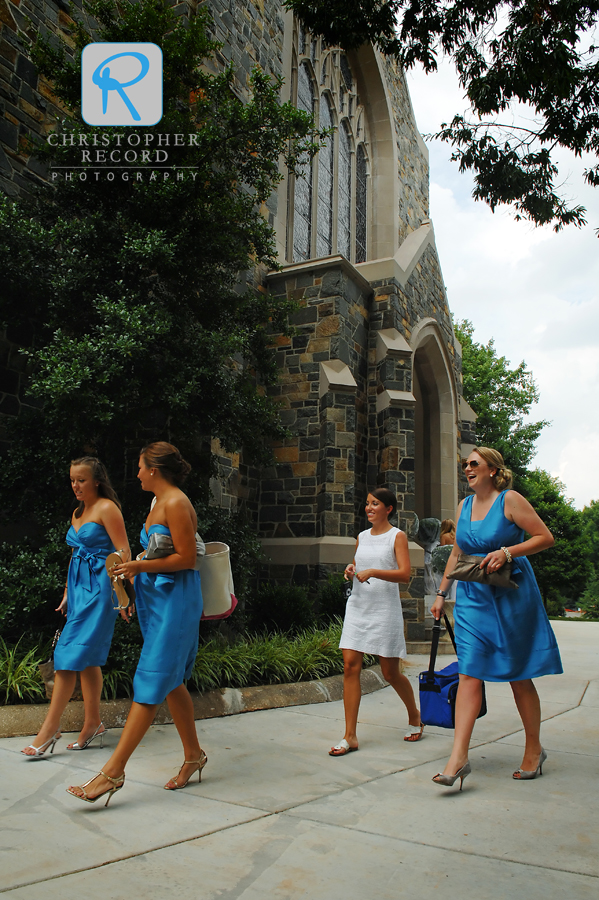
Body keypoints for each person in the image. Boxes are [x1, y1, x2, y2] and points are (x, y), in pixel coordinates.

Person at [66, 442, 205, 806]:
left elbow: (188, 559)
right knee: (171, 682)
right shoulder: (158, 501)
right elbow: (155, 552)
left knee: (151, 677)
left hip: (177, 603)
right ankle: (194, 756)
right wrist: (128, 591)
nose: (138, 473)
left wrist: (139, 567)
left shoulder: (175, 502)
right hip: (156, 602)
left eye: (141, 467)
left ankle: (113, 772)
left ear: (154, 470)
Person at [431, 447, 562, 790]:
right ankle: (458, 758)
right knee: (469, 672)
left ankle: (534, 749)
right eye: (465, 465)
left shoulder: (510, 500)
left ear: (492, 469)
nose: (467, 469)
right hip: (473, 598)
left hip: (511, 595)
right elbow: (457, 554)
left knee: (519, 675)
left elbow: (544, 537)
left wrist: (507, 551)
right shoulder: (464, 506)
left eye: (474, 463)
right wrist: (442, 593)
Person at [22, 457, 130, 758]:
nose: (75, 485)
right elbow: (75, 554)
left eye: (81, 480)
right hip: (79, 588)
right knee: (89, 658)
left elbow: (123, 551)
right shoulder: (78, 512)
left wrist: (122, 593)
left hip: (100, 589)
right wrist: (68, 591)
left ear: (96, 480)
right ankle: (93, 723)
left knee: (67, 654)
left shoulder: (108, 508)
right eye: (72, 480)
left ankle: (49, 729)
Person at [329, 487, 423, 756]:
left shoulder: (397, 536)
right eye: (368, 503)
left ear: (389, 509)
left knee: (390, 672)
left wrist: (373, 572)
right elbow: (359, 566)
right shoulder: (361, 537)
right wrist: (351, 569)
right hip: (358, 607)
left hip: (384, 610)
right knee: (349, 666)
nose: (369, 508)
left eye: (375, 504)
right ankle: (350, 736)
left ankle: (414, 715)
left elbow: (404, 574)